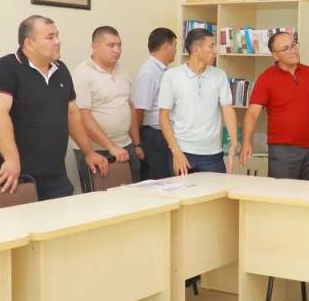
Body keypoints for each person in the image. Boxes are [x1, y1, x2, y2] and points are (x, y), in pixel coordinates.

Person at [0, 15, 108, 200]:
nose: (58, 41)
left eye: (57, 35)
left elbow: (72, 113)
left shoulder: (61, 70)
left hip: (54, 174)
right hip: (15, 174)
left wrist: (89, 152)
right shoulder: (5, 68)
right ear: (29, 43)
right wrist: (11, 160)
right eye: (50, 37)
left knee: (64, 217)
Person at [239, 32, 309, 179]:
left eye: (294, 45)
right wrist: (246, 142)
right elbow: (252, 113)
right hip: (283, 151)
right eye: (286, 48)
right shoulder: (266, 78)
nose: (293, 50)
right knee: (282, 192)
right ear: (275, 55)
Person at [159, 28, 239, 175]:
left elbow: (227, 109)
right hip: (183, 151)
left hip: (213, 153)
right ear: (197, 49)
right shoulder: (171, 76)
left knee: (217, 190)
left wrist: (234, 142)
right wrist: (176, 151)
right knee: (183, 190)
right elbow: (163, 117)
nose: (215, 51)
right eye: (211, 46)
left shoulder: (220, 75)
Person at [72, 26, 141, 184]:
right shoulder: (82, 73)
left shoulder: (123, 70)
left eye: (119, 45)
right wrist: (111, 147)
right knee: (103, 197)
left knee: (134, 193)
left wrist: (137, 144)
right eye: (111, 45)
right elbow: (83, 117)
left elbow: (129, 106)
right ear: (95, 47)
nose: (117, 50)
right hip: (96, 150)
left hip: (126, 145)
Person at [131, 27, 177, 179]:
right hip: (152, 136)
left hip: (162, 135)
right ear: (166, 46)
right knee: (156, 180)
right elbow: (139, 110)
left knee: (167, 179)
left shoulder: (163, 70)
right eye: (174, 46)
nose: (176, 51)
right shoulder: (149, 72)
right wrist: (137, 144)